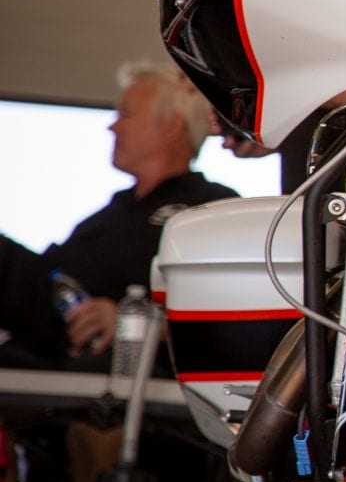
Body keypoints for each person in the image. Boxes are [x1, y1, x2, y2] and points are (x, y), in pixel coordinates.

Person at [0, 63, 238, 366]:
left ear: (171, 127)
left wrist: (132, 320)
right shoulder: (111, 213)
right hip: (50, 343)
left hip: (126, 370)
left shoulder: (211, 207)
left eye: (125, 114)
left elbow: (227, 313)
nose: (112, 126)